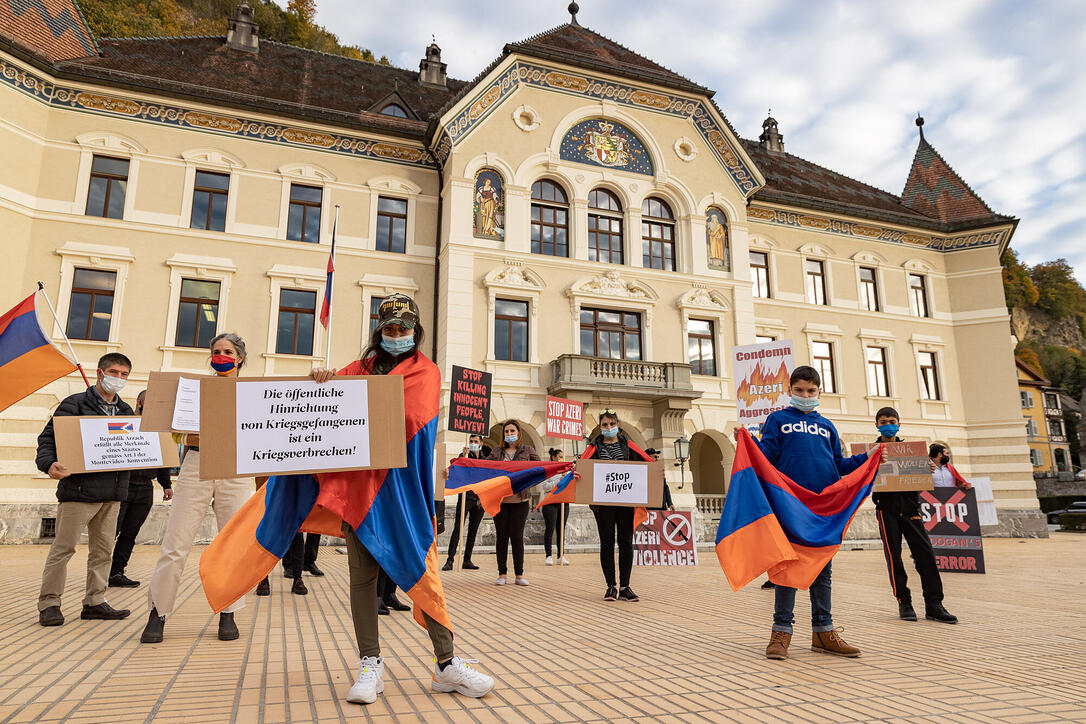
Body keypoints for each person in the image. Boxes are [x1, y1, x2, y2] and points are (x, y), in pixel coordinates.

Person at [309, 293, 493, 704]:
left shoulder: (427, 373)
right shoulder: (356, 370)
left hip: (405, 494)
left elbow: (414, 426)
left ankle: (446, 664)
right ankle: (370, 664)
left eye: (403, 329)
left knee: (423, 573)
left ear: (415, 331)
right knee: (362, 579)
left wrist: (365, 397)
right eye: (389, 329)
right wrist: (324, 381)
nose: (396, 336)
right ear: (380, 330)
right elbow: (324, 413)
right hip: (360, 492)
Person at [745, 365, 877, 661]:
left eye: (811, 391)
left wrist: (868, 456)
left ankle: (823, 631)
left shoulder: (828, 426)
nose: (805, 395)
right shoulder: (777, 420)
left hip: (822, 508)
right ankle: (781, 632)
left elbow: (838, 466)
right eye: (799, 391)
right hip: (789, 505)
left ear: (820, 392)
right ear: (789, 391)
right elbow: (766, 458)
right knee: (787, 568)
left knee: (822, 570)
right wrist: (748, 444)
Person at [141, 333, 253, 644]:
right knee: (175, 543)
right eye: (216, 351)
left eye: (228, 351)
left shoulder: (255, 392)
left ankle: (229, 611)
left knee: (233, 546)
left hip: (236, 467)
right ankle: (158, 612)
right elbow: (175, 430)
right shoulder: (191, 390)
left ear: (240, 358)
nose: (221, 355)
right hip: (197, 463)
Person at [36, 353, 136, 627]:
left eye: (124, 374)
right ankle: (50, 604)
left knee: (103, 552)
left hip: (113, 493)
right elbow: (48, 438)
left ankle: (95, 602)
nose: (119, 377)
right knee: (63, 549)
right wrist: (48, 463)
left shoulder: (127, 412)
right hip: (79, 491)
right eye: (114, 371)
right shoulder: (75, 404)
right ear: (100, 373)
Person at [872, 408, 958, 624]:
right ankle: (904, 602)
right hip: (886, 509)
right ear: (876, 425)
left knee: (926, 555)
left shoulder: (913, 451)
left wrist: (926, 468)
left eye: (892, 421)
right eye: (883, 421)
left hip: (911, 509)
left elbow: (921, 476)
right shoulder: (872, 451)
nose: (888, 425)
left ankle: (934, 604)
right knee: (895, 558)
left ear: (899, 424)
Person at [108, 389, 173, 588]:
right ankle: (98, 574)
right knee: (110, 532)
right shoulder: (123, 423)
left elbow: (162, 459)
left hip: (145, 488)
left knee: (129, 534)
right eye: (149, 404)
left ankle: (116, 573)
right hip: (122, 485)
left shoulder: (159, 430)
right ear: (139, 403)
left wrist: (166, 485)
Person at [589, 410, 643, 603]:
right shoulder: (593, 449)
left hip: (626, 502)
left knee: (626, 543)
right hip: (603, 505)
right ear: (600, 427)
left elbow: (645, 467)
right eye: (605, 425)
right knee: (607, 543)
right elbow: (585, 471)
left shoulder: (628, 447)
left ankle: (625, 586)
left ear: (618, 425)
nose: (609, 428)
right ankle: (611, 586)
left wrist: (657, 475)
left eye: (612, 424)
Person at [488, 420, 537, 585]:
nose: (509, 434)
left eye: (512, 431)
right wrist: (465, 458)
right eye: (506, 432)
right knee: (501, 537)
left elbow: (541, 468)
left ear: (518, 432)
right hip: (500, 501)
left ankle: (519, 575)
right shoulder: (496, 452)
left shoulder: (528, 451)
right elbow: (484, 467)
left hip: (520, 500)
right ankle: (502, 574)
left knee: (517, 536)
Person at [443, 434, 489, 571]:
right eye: (471, 441)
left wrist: (483, 498)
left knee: (473, 531)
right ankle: (450, 560)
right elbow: (456, 471)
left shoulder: (486, 459)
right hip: (465, 497)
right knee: (458, 529)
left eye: (476, 441)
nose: (473, 443)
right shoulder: (464, 456)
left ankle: (467, 560)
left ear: (481, 443)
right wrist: (463, 456)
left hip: (480, 499)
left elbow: (488, 480)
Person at [541, 449, 570, 566]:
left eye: (563, 456)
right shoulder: (549, 470)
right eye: (559, 456)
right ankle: (548, 555)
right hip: (550, 503)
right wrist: (559, 480)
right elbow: (545, 486)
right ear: (553, 457)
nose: (561, 459)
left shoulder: (567, 470)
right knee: (550, 528)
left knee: (561, 529)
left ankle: (560, 555)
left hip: (563, 502)